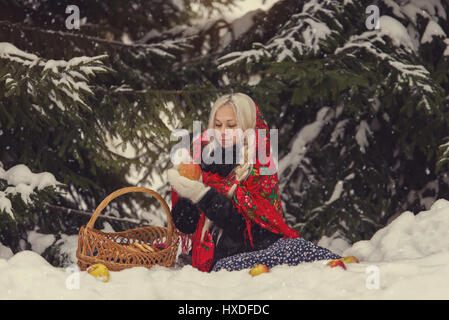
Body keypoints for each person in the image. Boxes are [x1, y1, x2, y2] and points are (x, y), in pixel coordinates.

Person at [167, 93, 341, 272]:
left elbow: (248, 229)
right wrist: (187, 192)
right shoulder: (203, 158)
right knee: (224, 266)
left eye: (232, 125)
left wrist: (203, 195)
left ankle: (325, 261)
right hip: (216, 260)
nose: (223, 132)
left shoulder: (258, 161)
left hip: (256, 250)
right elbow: (186, 224)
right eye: (218, 125)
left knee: (291, 248)